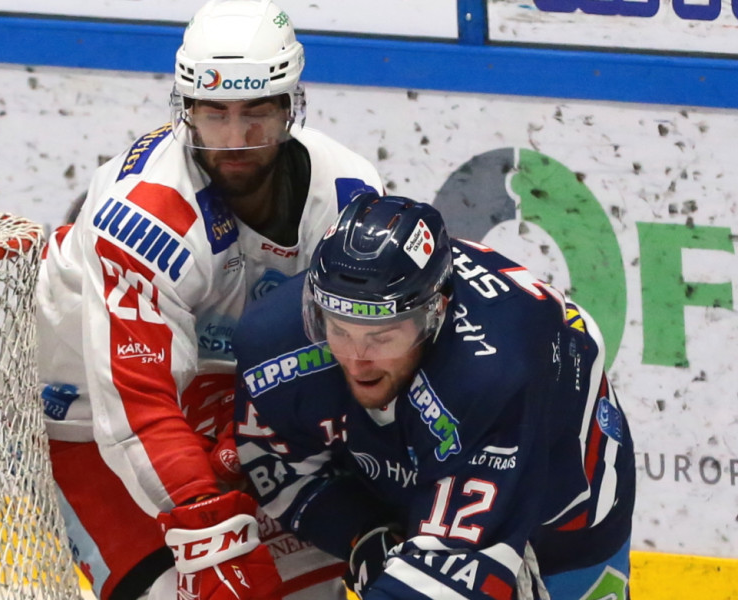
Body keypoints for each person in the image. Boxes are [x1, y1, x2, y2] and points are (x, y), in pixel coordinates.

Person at [35, 0, 383, 597]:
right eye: (214, 113)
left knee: (311, 589)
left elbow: (351, 352)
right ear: (186, 109)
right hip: (87, 416)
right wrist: (207, 525)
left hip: (235, 399)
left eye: (258, 113)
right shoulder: (142, 215)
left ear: (291, 105)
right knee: (178, 591)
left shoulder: (348, 194)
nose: (235, 139)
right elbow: (137, 404)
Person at [232, 194, 635, 598]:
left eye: (382, 337)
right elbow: (279, 466)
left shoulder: (494, 374)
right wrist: (361, 531)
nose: (357, 360)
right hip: (413, 475)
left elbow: (446, 580)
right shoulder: (274, 343)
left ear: (435, 312)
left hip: (563, 505)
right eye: (340, 330)